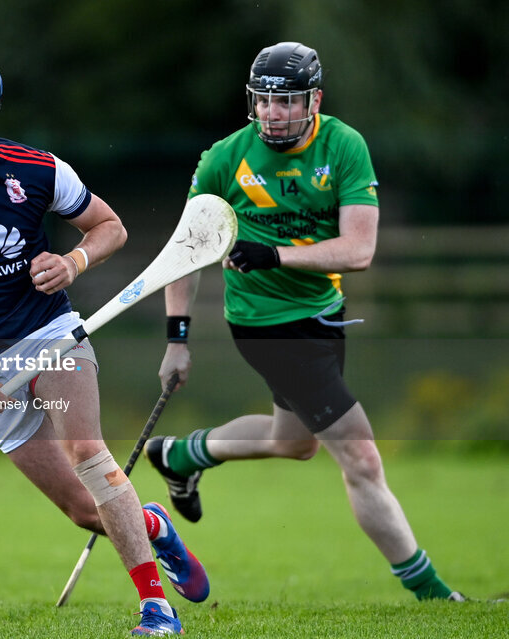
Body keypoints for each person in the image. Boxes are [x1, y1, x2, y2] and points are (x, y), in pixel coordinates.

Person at [0, 62, 209, 636]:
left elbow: (110, 227)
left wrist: (73, 261)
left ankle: (156, 609)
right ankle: (153, 526)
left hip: (51, 334)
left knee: (87, 448)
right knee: (86, 509)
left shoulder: (38, 170)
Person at [145, 42, 463, 602]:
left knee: (292, 442)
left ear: (314, 99)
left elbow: (359, 250)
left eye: (285, 101)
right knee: (360, 455)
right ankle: (434, 595)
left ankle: (181, 454)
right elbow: (186, 253)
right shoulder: (224, 158)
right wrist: (177, 340)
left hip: (324, 315)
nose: (270, 112)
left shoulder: (343, 146)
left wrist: (274, 253)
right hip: (266, 325)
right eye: (262, 100)